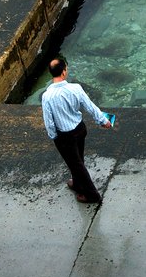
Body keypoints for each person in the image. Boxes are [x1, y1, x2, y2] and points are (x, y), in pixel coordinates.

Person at [41, 57, 111, 203]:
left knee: (76, 164)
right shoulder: (76, 88)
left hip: (64, 136)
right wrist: (103, 121)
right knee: (78, 160)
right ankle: (78, 184)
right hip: (79, 129)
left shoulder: (47, 96)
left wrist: (54, 136)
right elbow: (90, 107)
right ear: (64, 72)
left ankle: (92, 195)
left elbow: (49, 121)